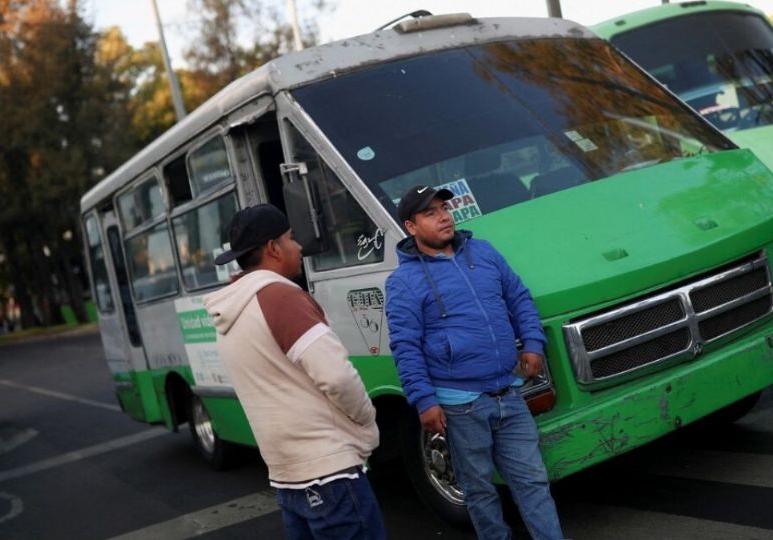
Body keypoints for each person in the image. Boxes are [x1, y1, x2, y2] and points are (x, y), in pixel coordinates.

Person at [384, 185, 564, 540]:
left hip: (509, 393)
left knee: (533, 481)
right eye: (430, 213)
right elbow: (405, 347)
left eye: (444, 208)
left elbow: (519, 297)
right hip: (460, 406)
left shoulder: (483, 252)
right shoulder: (403, 282)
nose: (444, 217)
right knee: (479, 491)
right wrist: (425, 400)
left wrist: (532, 343)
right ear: (411, 226)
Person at [203, 204, 385, 540]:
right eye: (291, 238)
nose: (299, 246)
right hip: (331, 471)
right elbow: (337, 377)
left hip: (287, 476)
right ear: (273, 248)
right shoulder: (281, 298)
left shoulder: (228, 310)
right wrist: (367, 422)